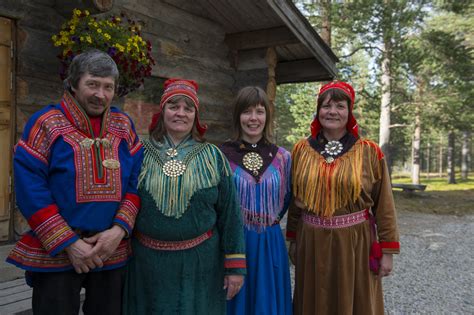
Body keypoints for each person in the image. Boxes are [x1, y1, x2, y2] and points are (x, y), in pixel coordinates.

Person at [6, 49, 144, 315]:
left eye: (108, 87)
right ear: (73, 82)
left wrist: (118, 231)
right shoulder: (45, 123)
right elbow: (30, 188)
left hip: (110, 251)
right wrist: (70, 243)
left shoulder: (124, 126)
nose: (100, 94)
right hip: (57, 252)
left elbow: (136, 183)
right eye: (92, 84)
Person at [123, 78, 246, 314]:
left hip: (201, 265)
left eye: (188, 108)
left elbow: (230, 214)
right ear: (162, 111)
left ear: (196, 116)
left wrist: (235, 266)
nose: (181, 113)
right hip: (147, 265)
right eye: (173, 106)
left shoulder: (213, 156)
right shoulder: (139, 152)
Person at [286, 81, 400, 315]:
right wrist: (294, 239)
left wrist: (387, 251)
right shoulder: (301, 151)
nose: (333, 112)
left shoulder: (369, 152)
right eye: (326, 106)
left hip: (355, 243)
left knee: (354, 301)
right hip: (312, 242)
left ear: (349, 112)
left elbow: (384, 204)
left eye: (340, 106)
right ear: (318, 111)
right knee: (314, 301)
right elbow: (295, 201)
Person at [220, 86, 292, 315]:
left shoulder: (282, 157)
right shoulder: (220, 155)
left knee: (267, 303)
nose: (253, 118)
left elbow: (288, 197)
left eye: (259, 111)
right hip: (234, 241)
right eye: (247, 112)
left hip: (269, 241)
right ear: (237, 116)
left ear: (267, 116)